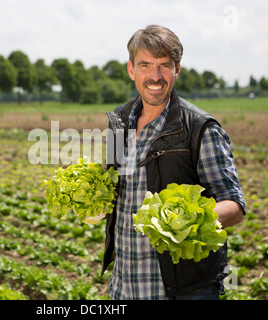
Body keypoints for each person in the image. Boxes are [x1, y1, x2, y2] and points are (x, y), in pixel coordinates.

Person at [102, 25, 246, 300]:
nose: (155, 76)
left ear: (176, 69)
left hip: (182, 289)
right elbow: (116, 193)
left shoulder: (199, 128)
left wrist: (186, 222)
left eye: (164, 65)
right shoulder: (118, 122)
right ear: (131, 69)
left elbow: (234, 205)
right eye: (145, 65)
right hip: (124, 284)